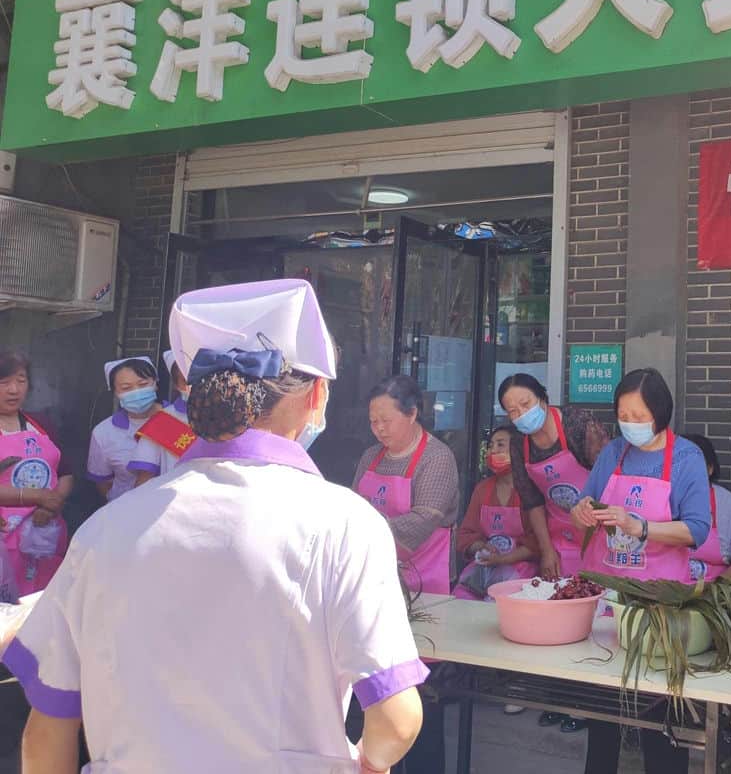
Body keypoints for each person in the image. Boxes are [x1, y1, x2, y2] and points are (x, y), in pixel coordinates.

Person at [2, 278, 425, 772]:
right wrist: (369, 763)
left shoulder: (102, 531)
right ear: (317, 394)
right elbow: (396, 720)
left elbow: (45, 733)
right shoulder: (345, 523)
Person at [569, 368, 711, 774]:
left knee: (661, 724)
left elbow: (697, 529)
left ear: (660, 413)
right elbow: (583, 506)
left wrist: (641, 527)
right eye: (623, 415)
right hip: (607, 602)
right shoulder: (613, 452)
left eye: (639, 416)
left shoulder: (686, 457)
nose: (629, 424)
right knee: (602, 718)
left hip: (657, 610)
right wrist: (581, 512)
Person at [354, 375, 459, 597]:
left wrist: (369, 530)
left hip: (425, 578)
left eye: (386, 420)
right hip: (373, 573)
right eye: (373, 421)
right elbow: (353, 506)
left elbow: (425, 518)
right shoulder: (370, 456)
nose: (379, 428)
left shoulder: (437, 457)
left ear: (412, 414)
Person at [502, 374, 609, 579]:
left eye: (526, 404)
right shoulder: (518, 443)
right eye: (513, 411)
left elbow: (609, 477)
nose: (522, 414)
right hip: (559, 532)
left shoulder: (577, 423)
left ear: (543, 398)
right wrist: (547, 550)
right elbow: (532, 501)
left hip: (597, 523)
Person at [0, 350, 73, 597]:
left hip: (44, 537)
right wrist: (35, 496)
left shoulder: (41, 423)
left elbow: (65, 473)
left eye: (21, 380)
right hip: (4, 539)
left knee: (43, 603)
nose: (13, 390)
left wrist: (52, 504)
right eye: (4, 382)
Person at [453, 426, 538, 599]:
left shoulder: (530, 489)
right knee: (461, 599)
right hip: (484, 567)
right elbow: (466, 535)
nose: (493, 451)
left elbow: (536, 543)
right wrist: (481, 547)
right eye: (491, 446)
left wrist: (503, 560)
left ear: (518, 450)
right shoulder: (482, 489)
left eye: (500, 445)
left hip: (521, 569)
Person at [86, 357, 164, 502]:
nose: (137, 392)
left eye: (143, 384)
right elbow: (103, 483)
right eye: (126, 388)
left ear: (155, 383)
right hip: (125, 510)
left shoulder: (178, 420)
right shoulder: (104, 432)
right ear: (115, 392)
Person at [685, 433, 731, 582]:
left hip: (715, 589)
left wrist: (714, 591)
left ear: (710, 469)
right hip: (665, 587)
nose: (687, 472)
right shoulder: (661, 499)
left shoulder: (729, 503)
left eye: (694, 466)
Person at [131, 350, 194, 485]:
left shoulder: (235, 418)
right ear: (177, 385)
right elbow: (144, 479)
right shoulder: (162, 421)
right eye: (187, 380)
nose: (197, 384)